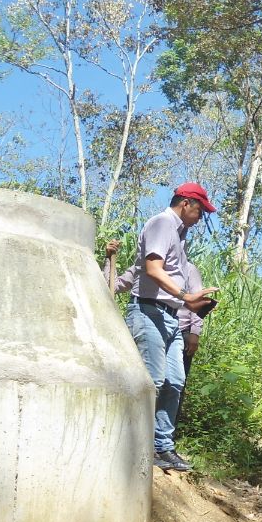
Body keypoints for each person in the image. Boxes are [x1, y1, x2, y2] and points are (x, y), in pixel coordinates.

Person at [126, 183, 219, 472]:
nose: (201, 216)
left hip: (171, 316)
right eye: (200, 209)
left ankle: (162, 446)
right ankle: (136, 446)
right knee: (152, 381)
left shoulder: (179, 234)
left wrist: (190, 305)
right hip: (149, 311)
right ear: (186, 203)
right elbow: (153, 269)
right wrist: (185, 296)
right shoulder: (162, 223)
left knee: (174, 381)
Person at [106, 241, 205, 432]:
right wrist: (109, 260)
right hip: (148, 319)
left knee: (174, 383)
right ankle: (135, 434)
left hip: (179, 327)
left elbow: (196, 298)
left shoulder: (188, 269)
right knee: (153, 381)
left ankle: (162, 442)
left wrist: (195, 332)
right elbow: (114, 285)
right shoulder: (143, 265)